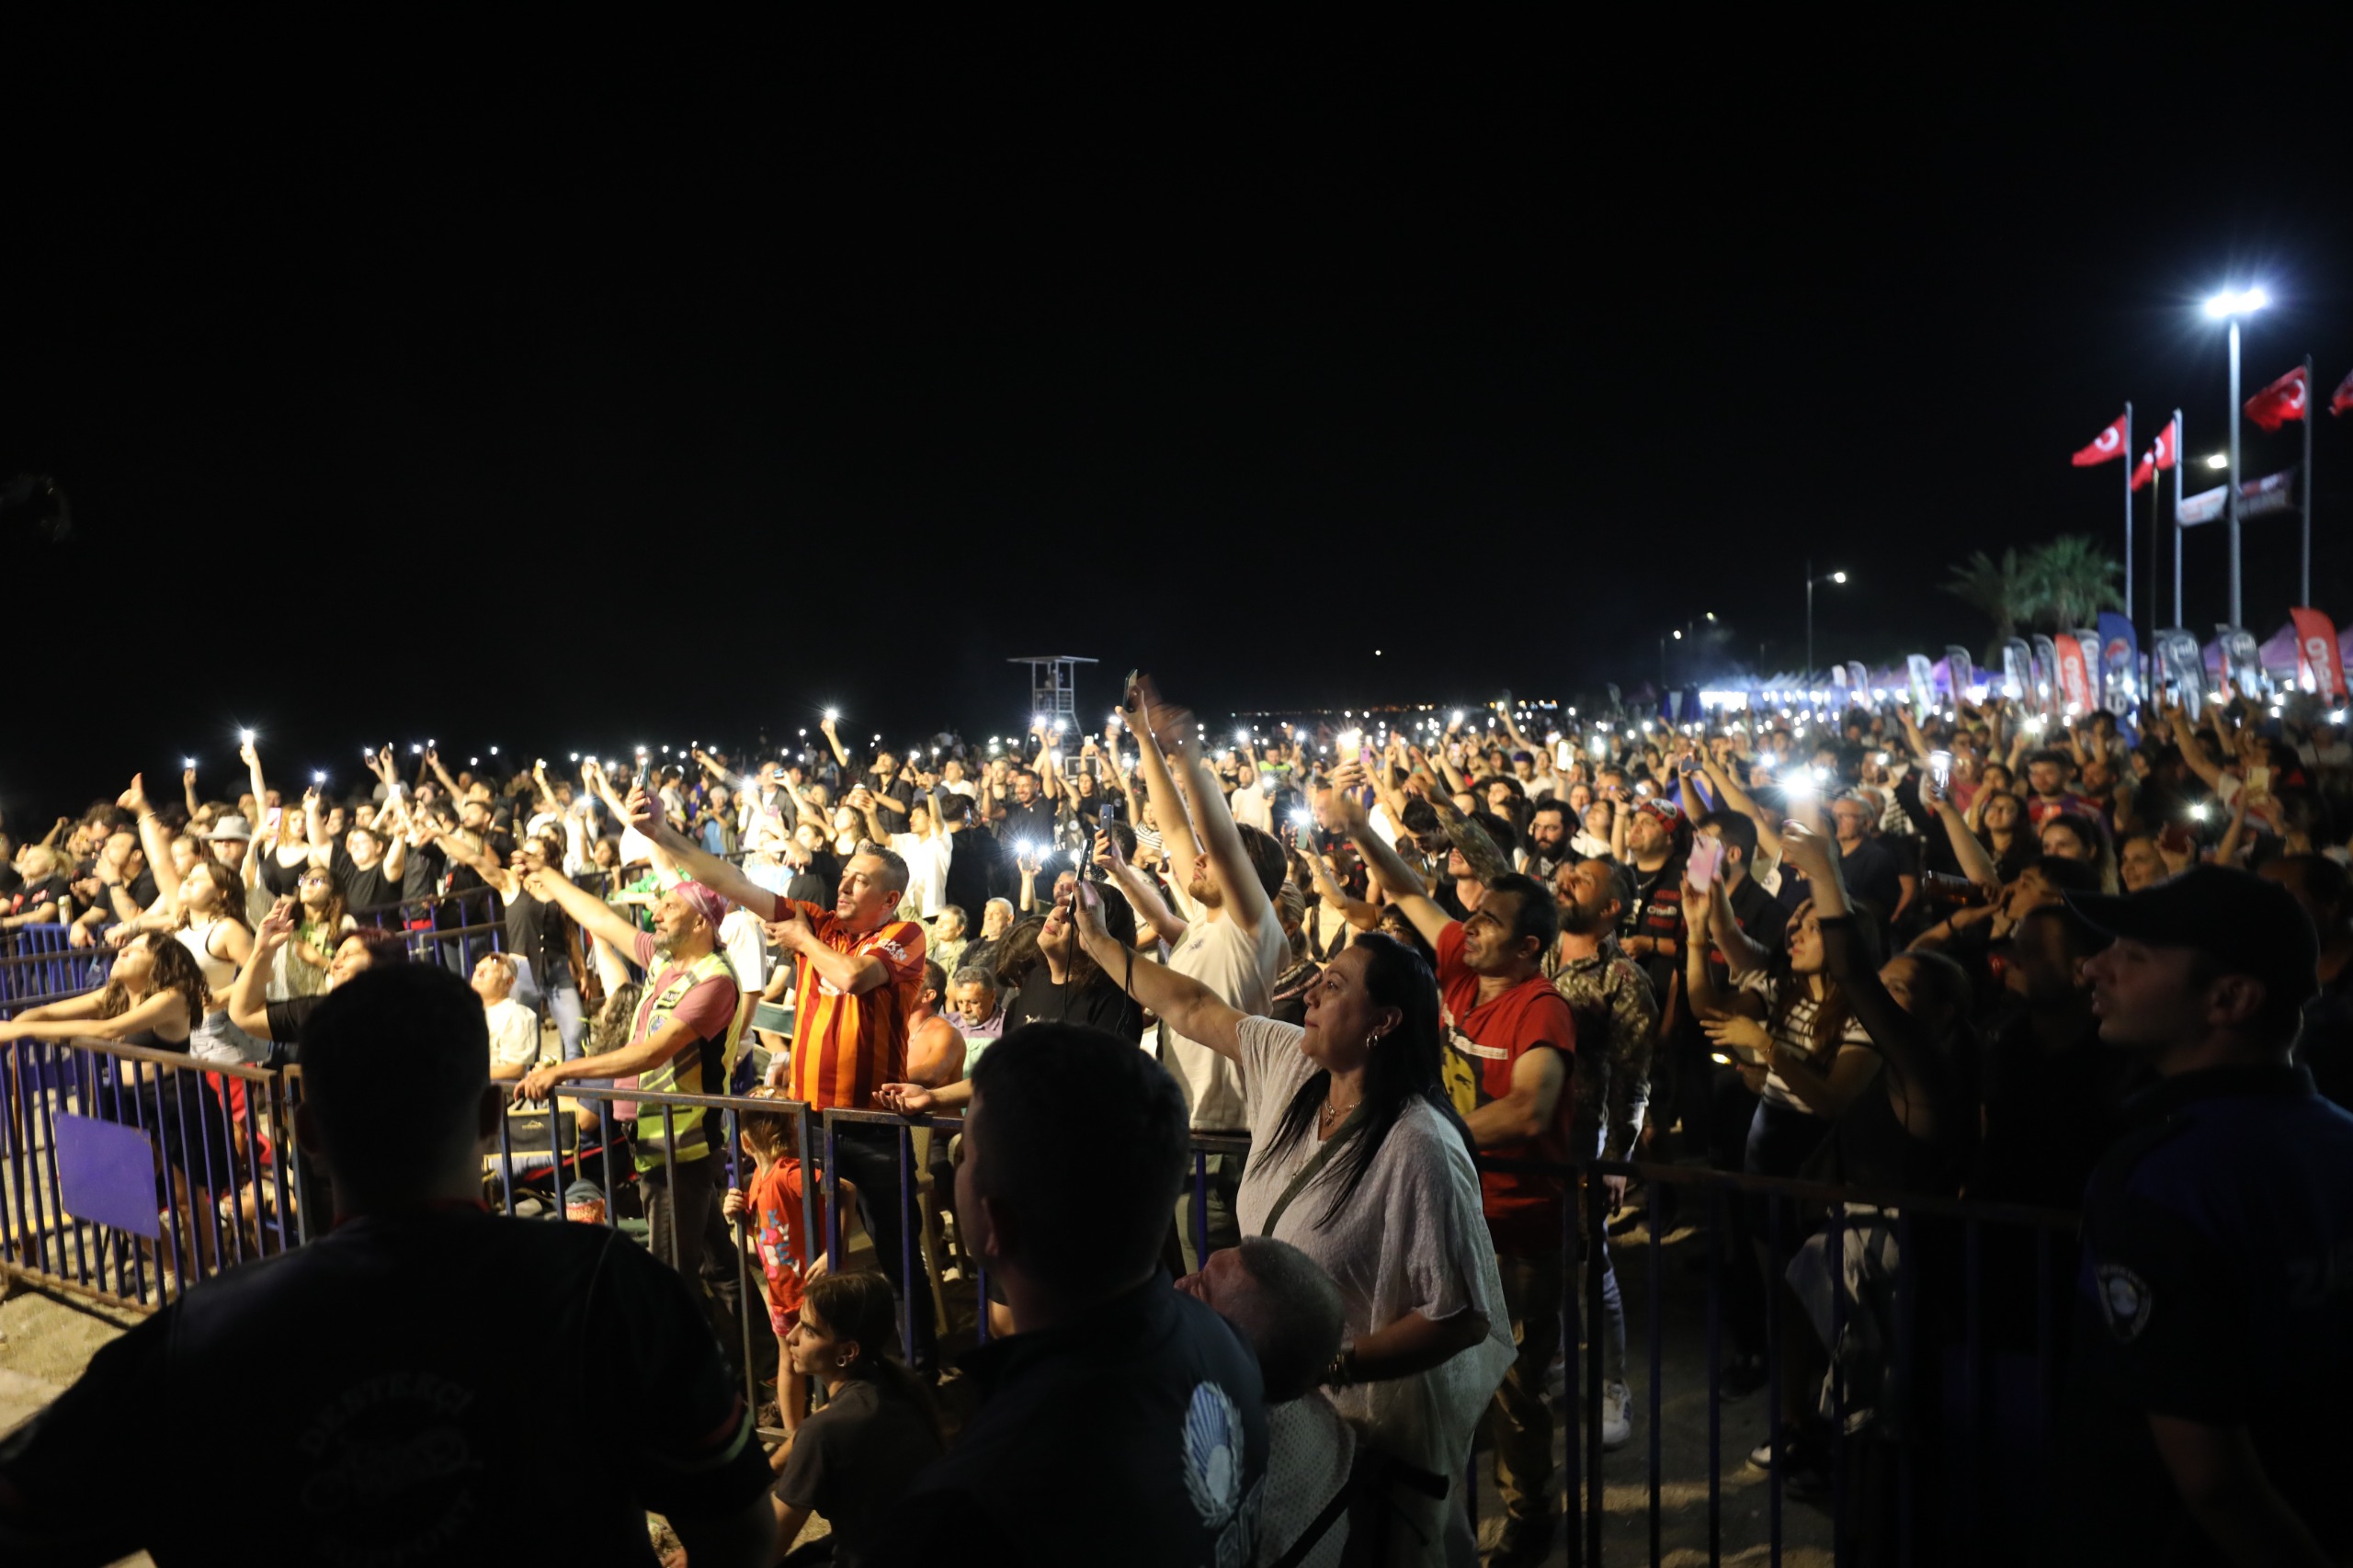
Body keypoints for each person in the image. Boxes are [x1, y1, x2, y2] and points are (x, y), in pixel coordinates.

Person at [0, 964, 779, 1566]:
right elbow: (740, 1534)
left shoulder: (200, 1334)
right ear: (490, 1116)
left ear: (307, 1132)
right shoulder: (609, 1286)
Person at [1067, 882, 1511, 1568]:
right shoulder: (1292, 1063)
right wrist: (1099, 941)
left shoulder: (1418, 1143)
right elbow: (1193, 1006)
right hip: (1281, 1404)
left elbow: (1460, 1317)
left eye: (1333, 986)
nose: (1309, 993)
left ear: (1384, 1021)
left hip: (1368, 1426)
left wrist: (1331, 1362)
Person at [874, 1022, 1270, 1568]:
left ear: (995, 1223)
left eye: (966, 1158)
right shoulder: (1224, 1342)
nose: (958, 1168)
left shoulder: (975, 1502)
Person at [2045, 866, 2353, 1567]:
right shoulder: (2339, 1138)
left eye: (2133, 956)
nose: (2093, 968)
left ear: (2230, 998)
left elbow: (2213, 1479)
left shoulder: (2167, 1177)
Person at [1330, 776, 1573, 1564]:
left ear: (1528, 947)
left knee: (1514, 1388)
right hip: (1455, 1211)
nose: (1470, 926)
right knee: (1436, 1377)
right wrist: (1359, 828)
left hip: (1517, 1227)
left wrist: (1430, 1135)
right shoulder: (1464, 971)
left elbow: (1530, 1108)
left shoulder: (1541, 1007)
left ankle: (1530, 1515)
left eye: (1490, 921)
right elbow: (1408, 892)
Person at [623, 790, 937, 1375]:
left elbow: (853, 978)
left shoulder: (905, 935)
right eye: (845, 875)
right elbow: (732, 881)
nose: (845, 886)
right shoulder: (816, 921)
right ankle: (828, 1370)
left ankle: (917, 1370)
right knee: (807, 1256)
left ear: (890, 899)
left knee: (897, 1254)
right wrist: (661, 835)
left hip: (871, 1124)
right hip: (809, 1123)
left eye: (861, 881)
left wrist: (802, 942)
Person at [511, 866, 746, 1350]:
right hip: (656, 1138)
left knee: (669, 1276)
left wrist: (563, 1071)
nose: (656, 913)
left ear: (700, 922)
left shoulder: (715, 981)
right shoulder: (666, 959)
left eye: (669, 906)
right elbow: (599, 917)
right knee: (719, 1262)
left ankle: (687, 1373)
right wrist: (547, 875)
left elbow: (651, 1053)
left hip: (679, 1148)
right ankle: (760, 1362)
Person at [1111, 674, 1289, 1269]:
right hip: (1184, 1130)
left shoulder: (1253, 929)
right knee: (1188, 1272)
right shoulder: (1199, 926)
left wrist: (1187, 753)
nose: (1197, 859)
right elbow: (1175, 829)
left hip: (1229, 1138)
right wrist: (1145, 740)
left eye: (1213, 858)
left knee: (1226, 1282)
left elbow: (1217, 839)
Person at [1543, 855, 1658, 1450]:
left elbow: (1632, 1080)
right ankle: (1555, 1361)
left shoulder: (1623, 980)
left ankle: (1613, 1385)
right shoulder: (1535, 952)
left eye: (1581, 880)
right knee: (1538, 1257)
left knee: (1591, 1266)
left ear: (1611, 907)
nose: (1565, 882)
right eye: (1567, 875)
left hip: (1581, 1143)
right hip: (1527, 1137)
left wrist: (1615, 1161)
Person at [1178, 1239, 1354, 1568]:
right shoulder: (1322, 1418)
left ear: (1235, 1358)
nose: (1180, 1284)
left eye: (1200, 1290)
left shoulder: (1199, 1471)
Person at [771, 1271, 946, 1565]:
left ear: (848, 1351)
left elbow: (762, 1550)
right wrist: (772, 1465)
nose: (791, 1337)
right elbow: (811, 1431)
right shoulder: (895, 1387)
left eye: (809, 1331)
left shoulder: (825, 1430)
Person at [471, 952, 540, 1084]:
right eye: (477, 969)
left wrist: (469, 1076)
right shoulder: (465, 1011)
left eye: (488, 971)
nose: (479, 973)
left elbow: (516, 1069)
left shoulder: (515, 1016)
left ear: (509, 982)